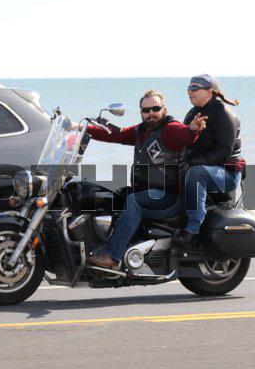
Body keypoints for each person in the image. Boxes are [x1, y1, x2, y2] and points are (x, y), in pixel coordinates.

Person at [86, 89, 207, 269]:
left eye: (155, 108)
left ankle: (112, 256)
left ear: (164, 109)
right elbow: (116, 134)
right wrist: (81, 128)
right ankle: (104, 246)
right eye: (146, 110)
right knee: (111, 197)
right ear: (141, 112)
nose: (151, 113)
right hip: (149, 192)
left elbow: (185, 135)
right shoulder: (140, 131)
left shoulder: (170, 129)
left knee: (134, 201)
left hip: (169, 197)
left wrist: (193, 129)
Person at [174, 74, 245, 249]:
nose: (190, 92)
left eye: (195, 88)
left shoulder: (223, 113)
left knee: (196, 172)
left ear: (209, 91)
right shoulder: (192, 113)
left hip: (226, 174)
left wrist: (195, 162)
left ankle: (192, 230)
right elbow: (184, 141)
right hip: (202, 168)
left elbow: (223, 152)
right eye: (188, 88)